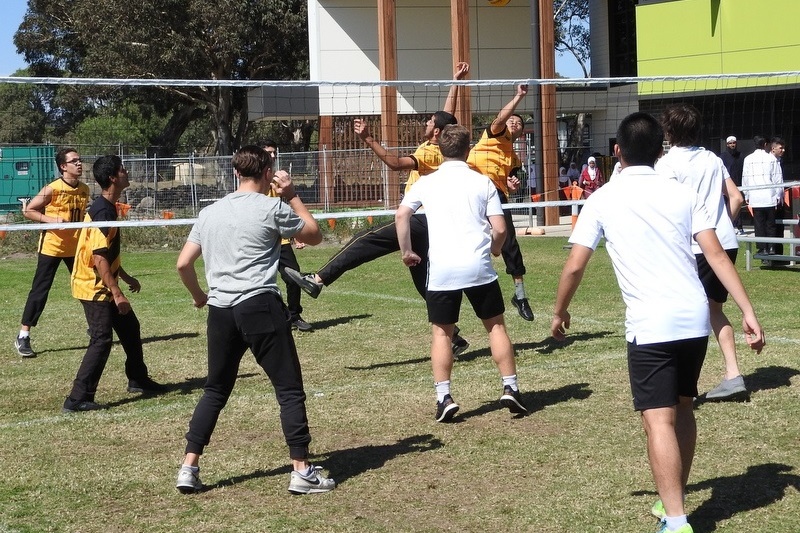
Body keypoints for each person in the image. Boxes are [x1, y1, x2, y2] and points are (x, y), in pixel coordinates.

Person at [551, 112, 764, 533]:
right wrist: (747, 309)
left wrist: (559, 311)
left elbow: (575, 266)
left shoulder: (603, 198)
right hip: (692, 318)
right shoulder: (682, 193)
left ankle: (677, 519)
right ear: (659, 150)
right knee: (683, 408)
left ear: (617, 150)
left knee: (658, 420)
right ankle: (673, 506)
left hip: (652, 325)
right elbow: (717, 255)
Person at [174, 145, 335, 495]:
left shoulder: (210, 212)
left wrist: (199, 297)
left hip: (220, 312)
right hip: (259, 305)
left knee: (215, 390)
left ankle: (189, 466)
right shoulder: (273, 206)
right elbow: (314, 234)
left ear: (235, 173)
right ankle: (302, 471)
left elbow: (183, 264)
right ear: (267, 174)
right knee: (289, 389)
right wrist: (292, 195)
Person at [285, 62, 472, 354]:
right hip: (435, 224)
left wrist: (368, 138)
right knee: (424, 283)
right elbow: (446, 118)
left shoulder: (430, 152)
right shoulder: (448, 145)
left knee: (365, 240)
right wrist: (455, 83)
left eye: (428, 123)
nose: (424, 124)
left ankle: (317, 279)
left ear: (436, 132)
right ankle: (455, 337)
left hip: (418, 219)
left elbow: (396, 164)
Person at [397, 124, 527, 422]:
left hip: (442, 269)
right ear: (468, 149)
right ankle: (511, 387)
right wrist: (495, 249)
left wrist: (407, 251)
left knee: (442, 333)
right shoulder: (483, 183)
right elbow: (501, 228)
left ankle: (444, 397)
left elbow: (402, 214)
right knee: (496, 328)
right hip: (478, 266)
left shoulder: (426, 182)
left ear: (439, 150)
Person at [656, 104, 748, 400]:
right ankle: (733, 375)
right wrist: (721, 227)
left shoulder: (667, 164)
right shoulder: (712, 158)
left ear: (668, 131)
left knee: (681, 312)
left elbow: (668, 209)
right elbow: (736, 197)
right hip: (725, 243)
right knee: (713, 311)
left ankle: (680, 385)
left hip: (694, 246)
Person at [64, 155, 166, 413]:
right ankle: (77, 399)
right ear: (112, 178)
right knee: (101, 339)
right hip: (93, 286)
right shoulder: (102, 210)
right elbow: (98, 258)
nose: (126, 172)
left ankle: (138, 379)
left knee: (131, 328)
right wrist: (117, 293)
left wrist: (125, 276)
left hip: (104, 282)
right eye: (122, 169)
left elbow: (105, 254)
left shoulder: (107, 207)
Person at [467, 84, 534, 321]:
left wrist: (512, 184)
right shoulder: (495, 132)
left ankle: (520, 295)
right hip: (472, 192)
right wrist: (519, 96)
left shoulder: (513, 157)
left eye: (519, 124)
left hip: (496, 195)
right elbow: (502, 117)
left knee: (510, 243)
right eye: (512, 121)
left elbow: (512, 179)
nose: (514, 124)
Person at [16, 148, 90, 358]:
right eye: (73, 161)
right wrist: (52, 220)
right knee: (40, 290)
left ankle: (95, 327)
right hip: (52, 247)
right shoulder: (52, 188)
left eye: (80, 159)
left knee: (87, 287)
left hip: (75, 247)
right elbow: (29, 210)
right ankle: (23, 336)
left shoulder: (84, 189)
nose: (79, 163)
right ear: (62, 167)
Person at [261, 140, 312, 331]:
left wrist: (296, 235)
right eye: (268, 153)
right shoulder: (254, 178)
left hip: (280, 238)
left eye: (274, 152)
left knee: (293, 277)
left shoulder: (278, 178)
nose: (273, 156)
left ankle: (294, 315)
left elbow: (285, 208)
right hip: (261, 239)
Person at [741, 135, 783, 264]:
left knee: (759, 225)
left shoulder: (748, 159)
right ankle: (771, 248)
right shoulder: (770, 159)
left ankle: (762, 249)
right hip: (769, 196)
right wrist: (778, 196)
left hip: (756, 197)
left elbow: (745, 178)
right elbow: (777, 178)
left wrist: (747, 195)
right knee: (770, 225)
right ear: (765, 144)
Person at [720, 135, 744, 234]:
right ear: (727, 144)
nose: (732, 145)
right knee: (728, 206)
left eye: (734, 143)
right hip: (727, 186)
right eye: (730, 143)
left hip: (739, 184)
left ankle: (739, 226)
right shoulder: (723, 157)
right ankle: (731, 225)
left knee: (739, 205)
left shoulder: (740, 155)